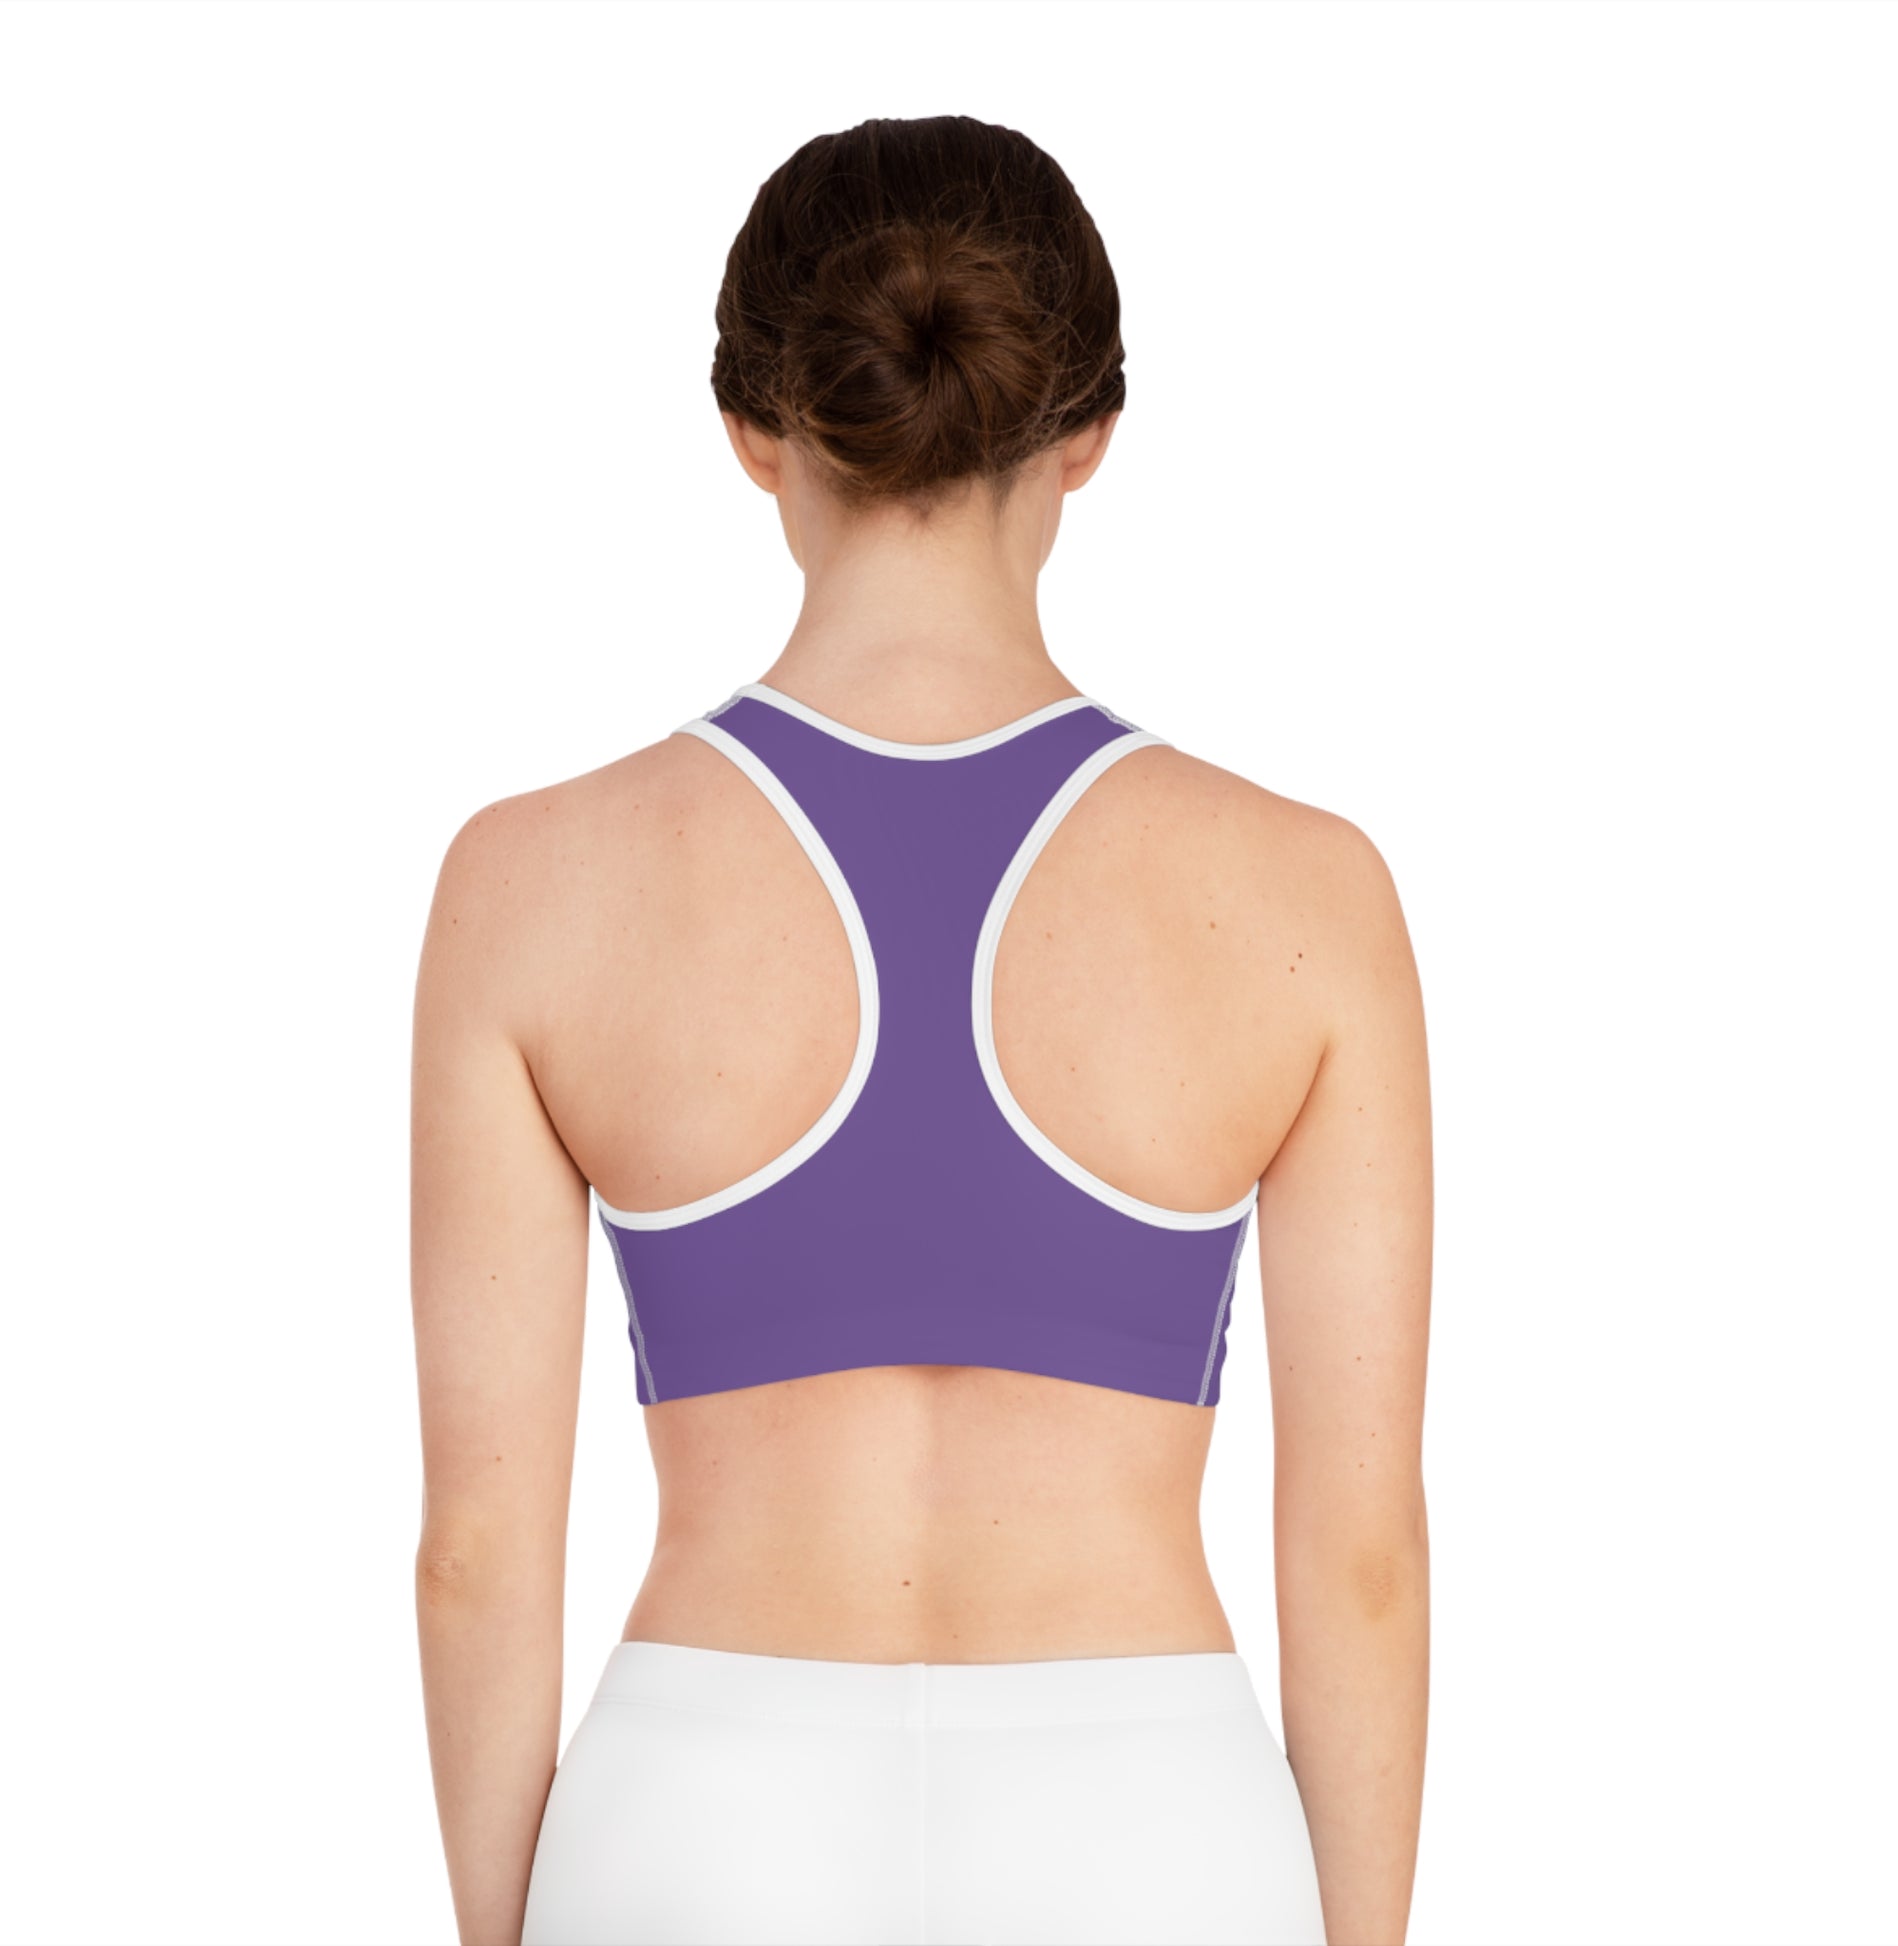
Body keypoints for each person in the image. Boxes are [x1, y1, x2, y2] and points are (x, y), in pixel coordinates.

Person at [411, 113, 1431, 1946]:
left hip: (702, 1814)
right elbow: (1358, 1559)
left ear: (754, 427)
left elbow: (476, 1551)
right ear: (1087, 431)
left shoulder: (533, 882)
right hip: (1147, 1822)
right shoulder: (1303, 894)